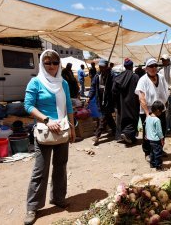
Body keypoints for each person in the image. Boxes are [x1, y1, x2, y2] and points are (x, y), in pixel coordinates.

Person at [23, 50, 75, 225]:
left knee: (60, 166)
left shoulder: (63, 83)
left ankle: (58, 198)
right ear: (42, 64)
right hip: (44, 131)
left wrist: (73, 128)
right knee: (40, 170)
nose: (51, 66)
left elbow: (69, 106)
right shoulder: (35, 82)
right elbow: (28, 106)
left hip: (62, 130)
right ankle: (32, 207)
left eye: (54, 62)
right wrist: (46, 120)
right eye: (47, 62)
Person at [135, 57, 169, 161]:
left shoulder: (161, 77)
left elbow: (166, 91)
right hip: (148, 110)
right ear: (146, 68)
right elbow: (141, 98)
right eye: (151, 66)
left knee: (161, 130)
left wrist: (164, 107)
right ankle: (147, 153)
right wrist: (147, 115)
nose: (154, 68)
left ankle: (159, 149)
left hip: (160, 110)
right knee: (148, 132)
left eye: (155, 66)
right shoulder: (143, 80)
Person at [86, 59, 116, 146]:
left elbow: (115, 86)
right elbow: (92, 88)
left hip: (108, 101)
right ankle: (115, 131)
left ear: (107, 67)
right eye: (100, 67)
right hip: (100, 100)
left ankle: (97, 136)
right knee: (108, 116)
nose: (101, 68)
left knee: (103, 117)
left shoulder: (112, 75)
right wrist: (89, 97)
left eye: (103, 67)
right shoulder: (97, 76)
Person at [112, 58, 140, 144]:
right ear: (132, 66)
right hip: (133, 102)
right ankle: (127, 134)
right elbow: (139, 90)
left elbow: (113, 90)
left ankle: (122, 136)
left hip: (121, 102)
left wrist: (116, 101)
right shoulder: (135, 77)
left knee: (121, 118)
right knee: (133, 118)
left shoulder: (119, 77)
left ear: (125, 66)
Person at [145, 100, 165, 170]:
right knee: (158, 153)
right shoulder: (157, 120)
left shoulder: (148, 117)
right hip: (156, 140)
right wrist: (162, 139)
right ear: (157, 110)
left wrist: (146, 135)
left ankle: (152, 164)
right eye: (161, 111)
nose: (161, 113)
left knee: (152, 152)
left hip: (150, 139)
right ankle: (159, 166)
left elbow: (146, 127)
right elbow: (159, 131)